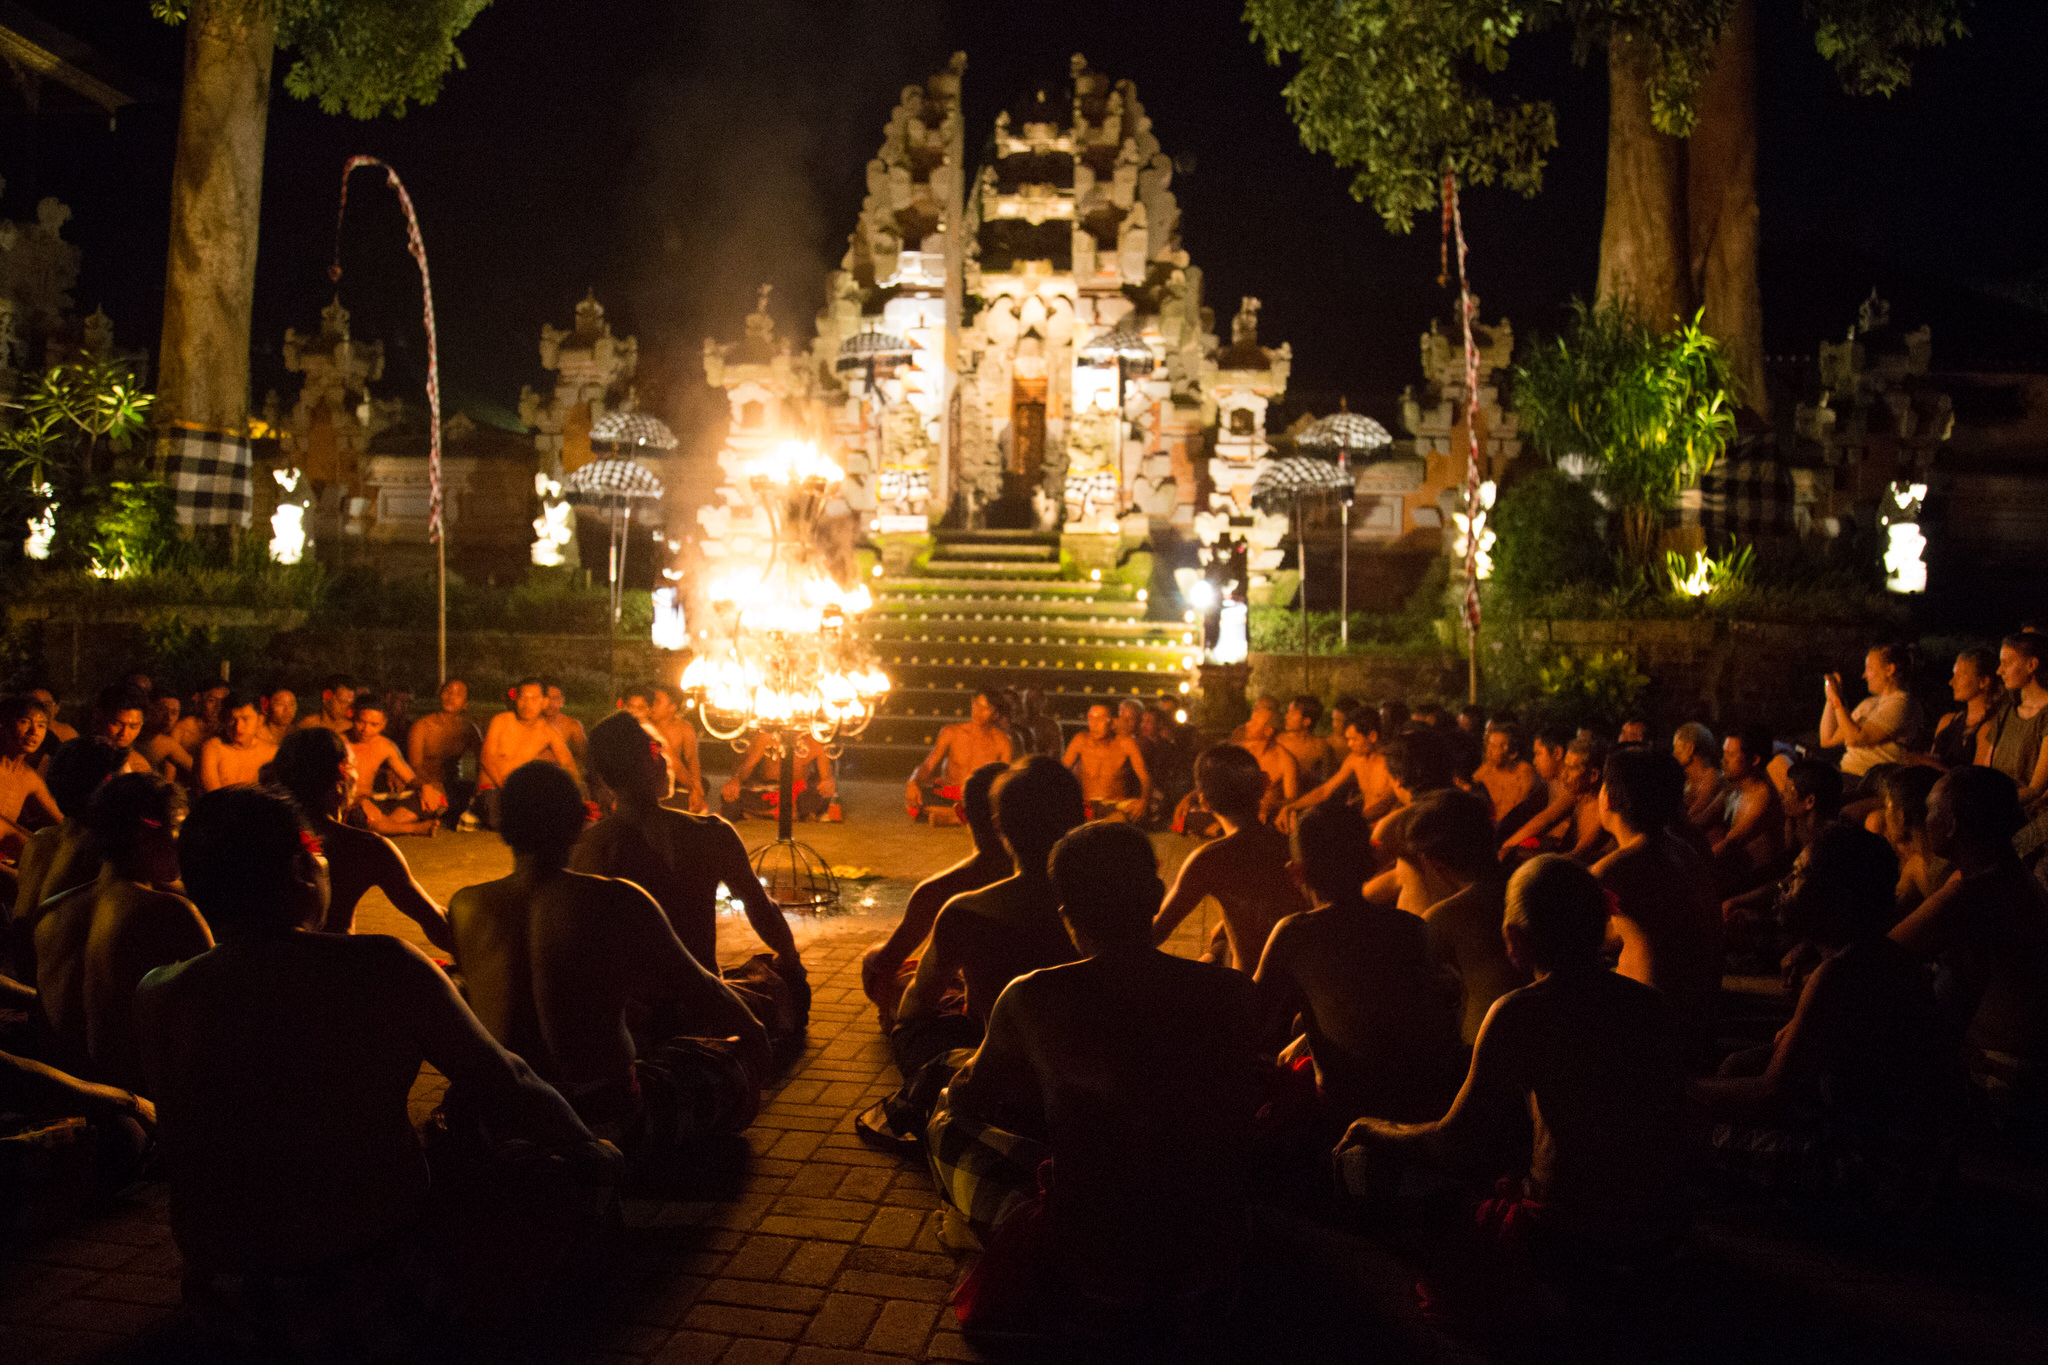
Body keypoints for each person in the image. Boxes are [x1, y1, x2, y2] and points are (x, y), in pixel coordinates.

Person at [136, 787, 612, 1328]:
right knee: (551, 1180)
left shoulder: (159, 990)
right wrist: (590, 1150)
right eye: (316, 853)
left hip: (217, 1288)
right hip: (359, 1276)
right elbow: (508, 1079)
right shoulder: (382, 964)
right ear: (298, 868)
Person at [926, 821, 1258, 1321]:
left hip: (1091, 1265)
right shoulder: (1231, 992)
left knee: (944, 1119)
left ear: (1068, 916)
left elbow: (971, 1096)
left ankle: (971, 1224)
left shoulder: (1030, 996)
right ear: (1156, 896)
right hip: (1212, 1258)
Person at [1338, 857, 1693, 1292]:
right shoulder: (1650, 1003)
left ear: (1514, 938)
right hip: (1666, 1238)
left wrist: (1374, 1129)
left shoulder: (1519, 1012)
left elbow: (1456, 1144)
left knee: (1369, 1165)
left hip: (1581, 1246)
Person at [450, 762, 770, 1159]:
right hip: (604, 1116)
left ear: (502, 824)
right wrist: (756, 1038)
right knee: (724, 1066)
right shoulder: (618, 899)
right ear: (580, 820)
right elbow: (704, 989)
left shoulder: (464, 906)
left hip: (503, 1114)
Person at [1695, 825, 1964, 1207]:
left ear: (1840, 899)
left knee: (1676, 1133)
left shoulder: (1842, 975)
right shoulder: (1878, 955)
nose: (1783, 885)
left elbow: (1771, 1093)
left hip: (1879, 1173)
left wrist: (1671, 1091)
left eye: (1799, 875)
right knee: (1732, 1072)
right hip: (1912, 1158)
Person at [863, 759, 1086, 1150]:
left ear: (998, 826)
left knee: (907, 1015)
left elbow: (915, 1007)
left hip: (1003, 1071)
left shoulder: (967, 909)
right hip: (1087, 1067)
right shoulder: (1106, 899)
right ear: (1079, 816)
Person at [571, 712, 808, 1015]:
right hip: (702, 1005)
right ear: (647, 763)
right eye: (656, 750)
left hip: (628, 1014)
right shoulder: (711, 832)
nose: (666, 760)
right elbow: (761, 909)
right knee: (781, 986)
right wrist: (790, 961)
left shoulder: (586, 850)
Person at [1255, 803, 1463, 1127]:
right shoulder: (1411, 928)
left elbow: (1251, 1018)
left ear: (1296, 872)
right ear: (1372, 863)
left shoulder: (1295, 933)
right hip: (1427, 1102)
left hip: (1349, 1110)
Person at [33, 775, 212, 1094]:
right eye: (180, 830)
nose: (186, 844)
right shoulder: (171, 914)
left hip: (69, 1093)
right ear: (145, 834)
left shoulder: (51, 911)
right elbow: (220, 1022)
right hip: (138, 1104)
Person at [1892, 766, 2048, 1124]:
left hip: (2005, 1079)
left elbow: (1873, 958)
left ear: (1951, 824)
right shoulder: (2002, 873)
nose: (1923, 820)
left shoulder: (1977, 892)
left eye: (1930, 810)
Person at [262, 729, 456, 953]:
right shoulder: (365, 847)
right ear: (343, 772)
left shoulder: (256, 834)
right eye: (354, 766)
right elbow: (438, 925)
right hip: (330, 972)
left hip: (262, 975)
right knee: (397, 951)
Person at [861, 763, 1012, 1032]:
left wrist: (891, 1019)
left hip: (979, 1022)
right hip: (1047, 1012)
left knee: (873, 960)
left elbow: (886, 966)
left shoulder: (943, 889)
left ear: (961, 814)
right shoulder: (1054, 874)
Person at [1593, 747, 1723, 1053]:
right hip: (1699, 1018)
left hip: (1648, 1031)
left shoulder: (1615, 868)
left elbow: (1557, 942)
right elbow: (1644, 928)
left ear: (1608, 798)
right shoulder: (1683, 851)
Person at [1153, 746, 1308, 970]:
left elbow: (1156, 932)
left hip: (1251, 990)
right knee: (1219, 946)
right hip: (1298, 987)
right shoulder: (1291, 845)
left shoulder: (1208, 859)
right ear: (1264, 786)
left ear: (1205, 802)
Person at [1407, 788, 1529, 1047]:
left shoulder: (1442, 918)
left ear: (1435, 863)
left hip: (1485, 1049)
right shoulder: (1532, 884)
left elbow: (1416, 993)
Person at [468, 678, 577, 832]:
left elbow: (568, 764)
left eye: (534, 699)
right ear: (516, 699)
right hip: (492, 789)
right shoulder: (501, 721)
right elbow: (486, 758)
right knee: (498, 817)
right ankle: (475, 811)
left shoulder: (548, 733)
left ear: (544, 702)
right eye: (523, 698)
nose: (527, 704)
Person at [1819, 642, 1924, 785]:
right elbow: (1828, 739)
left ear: (1889, 669)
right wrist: (1831, 699)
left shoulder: (1902, 704)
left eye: (1869, 668)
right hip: (1847, 774)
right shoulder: (1869, 704)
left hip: (1868, 781)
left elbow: (1855, 738)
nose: (1864, 675)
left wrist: (1837, 700)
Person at [907, 690, 1015, 821]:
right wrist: (913, 781)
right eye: (976, 705)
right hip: (950, 794)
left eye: (986, 708)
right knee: (914, 800)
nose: (978, 712)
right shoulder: (951, 732)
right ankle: (960, 816)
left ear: (995, 714)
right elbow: (928, 765)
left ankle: (948, 816)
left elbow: (1004, 780)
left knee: (1004, 803)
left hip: (979, 797)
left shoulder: (1002, 743)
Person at [1711, 723, 1786, 894]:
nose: (1723, 760)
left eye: (1730, 755)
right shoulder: (1734, 787)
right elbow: (1701, 818)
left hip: (1756, 881)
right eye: (1724, 753)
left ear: (1754, 760)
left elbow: (1730, 843)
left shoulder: (1762, 796)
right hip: (1736, 871)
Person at [344, 698, 435, 835]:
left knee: (433, 799)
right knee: (359, 817)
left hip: (371, 802)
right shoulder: (339, 743)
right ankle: (413, 828)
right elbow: (330, 787)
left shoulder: (385, 746)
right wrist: (360, 802)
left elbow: (409, 779)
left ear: (383, 724)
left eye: (374, 725)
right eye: (361, 722)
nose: (366, 729)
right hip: (347, 804)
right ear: (353, 718)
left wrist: (424, 787)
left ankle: (383, 825)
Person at [720, 728, 840, 823]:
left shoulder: (816, 738)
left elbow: (826, 777)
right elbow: (747, 766)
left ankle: (763, 813)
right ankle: (783, 813)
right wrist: (735, 780)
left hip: (799, 792)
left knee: (820, 796)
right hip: (768, 790)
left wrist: (827, 783)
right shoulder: (768, 735)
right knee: (732, 796)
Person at [408, 678, 483, 827]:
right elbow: (414, 765)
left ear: (465, 704)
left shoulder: (468, 729)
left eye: (458, 694)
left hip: (453, 786)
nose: (451, 698)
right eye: (448, 692)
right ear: (440, 695)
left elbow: (483, 760)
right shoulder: (422, 726)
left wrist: (479, 787)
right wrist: (430, 784)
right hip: (426, 784)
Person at [1061, 703, 1151, 822]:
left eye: (1099, 719)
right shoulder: (1080, 741)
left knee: (1130, 808)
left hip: (1115, 805)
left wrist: (1143, 801)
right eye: (1091, 719)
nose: (1094, 725)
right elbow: (1061, 772)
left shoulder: (1125, 744)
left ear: (1111, 722)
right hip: (1087, 805)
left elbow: (1145, 778)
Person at [1876, 765, 1947, 916]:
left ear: (1902, 817)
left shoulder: (1948, 875)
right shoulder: (1917, 866)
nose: (1884, 816)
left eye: (1887, 807)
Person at [1, 696, 62, 861]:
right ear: (3, 724)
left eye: (41, 725)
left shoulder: (28, 777)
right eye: (25, 722)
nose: (34, 731)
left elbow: (62, 824)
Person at [1923, 647, 1999, 771]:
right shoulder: (1947, 721)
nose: (1952, 682)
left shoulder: (1989, 728)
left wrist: (1926, 762)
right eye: (1954, 675)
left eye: (1960, 675)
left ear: (1983, 681)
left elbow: (1978, 778)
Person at [195, 692, 277, 792]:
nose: (238, 727)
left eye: (245, 719)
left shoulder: (271, 753)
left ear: (259, 721)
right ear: (225, 720)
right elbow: (214, 798)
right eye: (232, 719)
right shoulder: (213, 749)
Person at [1235, 699, 1301, 823]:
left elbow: (1292, 799)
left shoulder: (1285, 760)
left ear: (1268, 731)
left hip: (1267, 818)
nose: (1248, 725)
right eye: (1250, 720)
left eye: (1254, 723)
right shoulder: (1242, 750)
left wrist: (1272, 805)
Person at [646, 684, 708, 813]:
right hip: (651, 779)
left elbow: (691, 758)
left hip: (675, 777)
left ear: (672, 708)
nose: (652, 705)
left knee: (703, 784)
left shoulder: (684, 728)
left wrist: (696, 786)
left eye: (657, 701)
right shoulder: (645, 726)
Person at [1472, 719, 1538, 828]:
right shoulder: (1485, 771)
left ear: (1513, 752)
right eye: (1489, 745)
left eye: (1495, 746)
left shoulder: (1524, 773)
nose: (1489, 750)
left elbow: (1517, 813)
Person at [1673, 722, 1726, 829]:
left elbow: (1693, 815)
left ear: (1690, 748)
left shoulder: (1711, 777)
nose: (1674, 753)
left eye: (1676, 746)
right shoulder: (1684, 779)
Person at [137, 691, 195, 784]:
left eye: (174, 712)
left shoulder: (167, 744)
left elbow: (197, 770)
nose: (168, 717)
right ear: (151, 709)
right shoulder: (131, 732)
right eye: (162, 710)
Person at [1277, 695, 1335, 784]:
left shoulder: (1321, 747)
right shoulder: (1279, 741)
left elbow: (1328, 782)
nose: (1287, 716)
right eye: (1288, 712)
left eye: (1292, 713)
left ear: (1306, 721)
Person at [169, 682, 229, 759]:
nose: (218, 707)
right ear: (202, 701)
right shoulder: (183, 728)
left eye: (222, 702)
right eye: (211, 701)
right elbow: (169, 767)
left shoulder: (230, 730)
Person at [541, 679, 588, 772]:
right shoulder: (527, 723)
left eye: (554, 698)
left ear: (561, 701)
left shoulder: (572, 726)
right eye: (546, 697)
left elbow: (585, 757)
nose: (550, 703)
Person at [1014, 686, 1064, 758]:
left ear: (1043, 702)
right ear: (1023, 702)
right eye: (1029, 700)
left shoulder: (1051, 726)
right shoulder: (1017, 723)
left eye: (1036, 699)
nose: (1032, 704)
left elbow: (1055, 752)